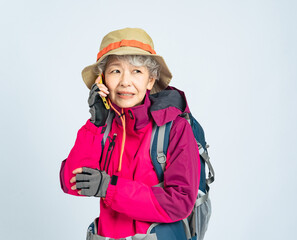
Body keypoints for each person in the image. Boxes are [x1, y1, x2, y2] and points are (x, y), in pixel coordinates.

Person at [59, 28, 200, 239]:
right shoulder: (102, 127)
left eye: (137, 71)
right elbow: (72, 183)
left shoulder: (175, 128)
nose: (125, 81)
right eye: (115, 71)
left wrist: (110, 187)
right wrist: (95, 121)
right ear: (102, 80)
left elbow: (180, 202)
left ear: (150, 81)